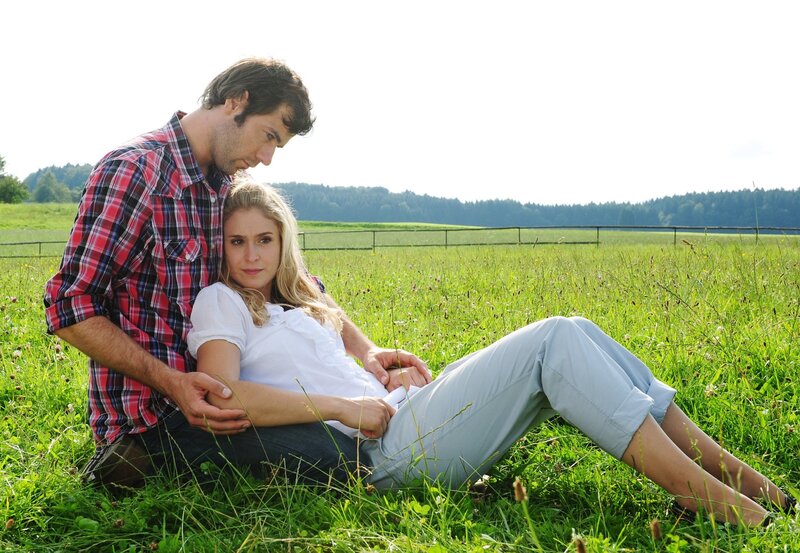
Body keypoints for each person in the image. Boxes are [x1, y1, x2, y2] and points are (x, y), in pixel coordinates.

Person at [188, 178, 795, 527]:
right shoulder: (221, 302)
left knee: (576, 328)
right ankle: (710, 498)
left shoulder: (295, 298)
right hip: (381, 453)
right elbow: (225, 395)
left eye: (264, 239)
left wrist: (377, 364)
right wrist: (342, 407)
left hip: (406, 412)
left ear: (284, 242)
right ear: (221, 246)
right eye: (237, 242)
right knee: (553, 341)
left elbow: (339, 328)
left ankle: (741, 479)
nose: (251, 255)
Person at [43, 58, 425, 492]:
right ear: (236, 102)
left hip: (232, 394)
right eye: (269, 135)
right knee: (339, 457)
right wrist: (173, 383)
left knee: (347, 441)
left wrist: (366, 349)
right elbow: (69, 305)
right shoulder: (135, 171)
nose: (266, 158)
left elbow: (295, 279)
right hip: (157, 413)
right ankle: (135, 458)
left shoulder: (229, 182)